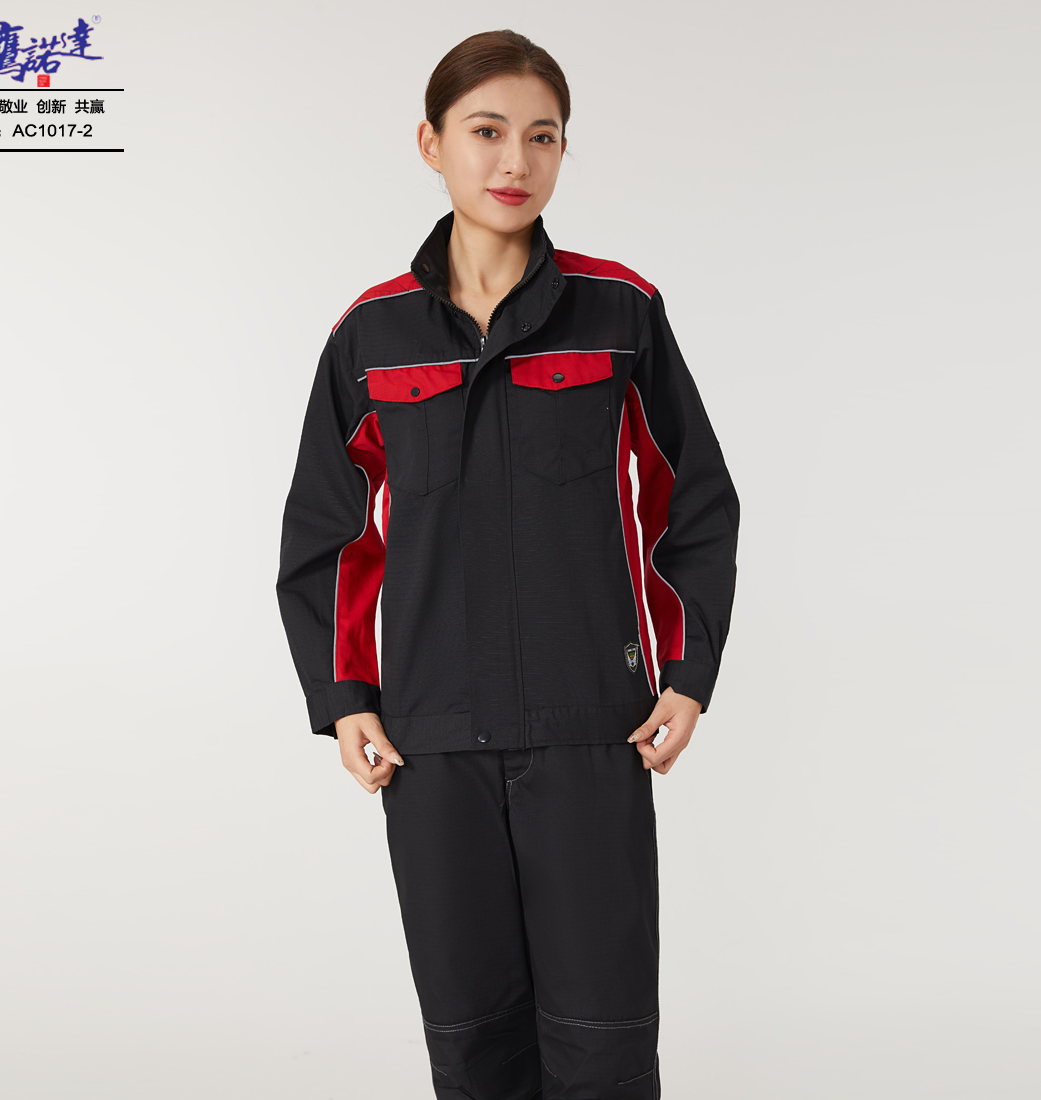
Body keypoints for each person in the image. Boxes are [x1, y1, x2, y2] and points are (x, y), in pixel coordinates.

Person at [276, 28, 740, 1100]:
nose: (514, 161)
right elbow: (328, 532)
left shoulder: (619, 310)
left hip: (592, 730)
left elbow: (692, 497)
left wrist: (686, 671)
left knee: (602, 1041)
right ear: (430, 143)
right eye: (486, 131)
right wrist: (343, 696)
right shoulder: (372, 335)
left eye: (542, 136)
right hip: (429, 740)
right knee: (472, 1042)